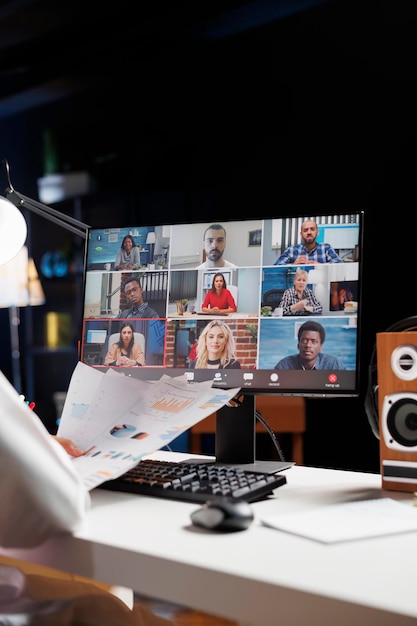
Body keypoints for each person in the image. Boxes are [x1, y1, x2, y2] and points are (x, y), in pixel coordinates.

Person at [274, 320, 345, 370]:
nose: (308, 345)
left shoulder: (334, 365)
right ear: (298, 345)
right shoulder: (284, 365)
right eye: (304, 341)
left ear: (321, 347)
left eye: (314, 341)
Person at [275, 219, 343, 265]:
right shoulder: (292, 250)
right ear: (301, 234)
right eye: (305, 230)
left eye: (312, 229)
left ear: (317, 232)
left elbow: (339, 264)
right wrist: (293, 265)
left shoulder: (326, 248)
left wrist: (320, 266)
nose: (309, 232)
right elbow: (276, 267)